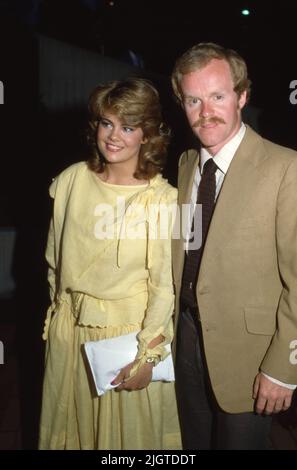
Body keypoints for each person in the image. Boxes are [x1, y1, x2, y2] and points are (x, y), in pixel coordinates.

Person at [39, 77, 181, 450]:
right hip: (71, 333)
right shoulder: (71, 180)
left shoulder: (164, 200)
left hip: (127, 341)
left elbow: (164, 286)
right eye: (107, 123)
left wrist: (148, 355)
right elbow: (54, 259)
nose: (113, 136)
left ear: (147, 135)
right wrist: (59, 322)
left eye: (128, 127)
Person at [171, 42, 297, 450]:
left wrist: (284, 368)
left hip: (252, 353)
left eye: (218, 96)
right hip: (186, 337)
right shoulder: (187, 163)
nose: (205, 112)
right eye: (194, 99)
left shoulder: (286, 168)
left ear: (242, 96)